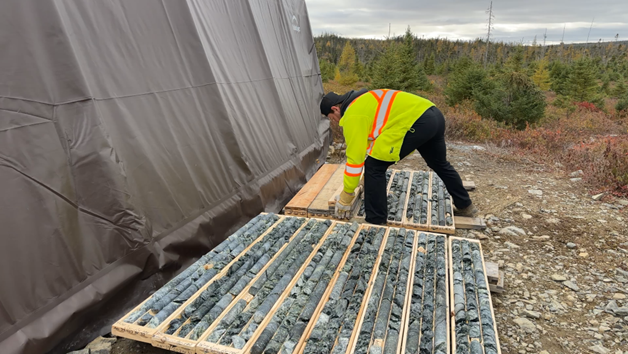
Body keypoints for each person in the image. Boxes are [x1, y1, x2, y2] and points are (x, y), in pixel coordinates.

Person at [320, 88, 477, 224]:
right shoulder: (364, 99)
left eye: (330, 117)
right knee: (439, 164)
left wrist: (347, 194)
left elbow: (355, 159)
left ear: (335, 109)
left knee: (374, 167)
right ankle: (465, 205)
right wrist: (364, 179)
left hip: (417, 123)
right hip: (433, 114)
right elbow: (371, 141)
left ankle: (375, 220)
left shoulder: (353, 115)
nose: (333, 121)